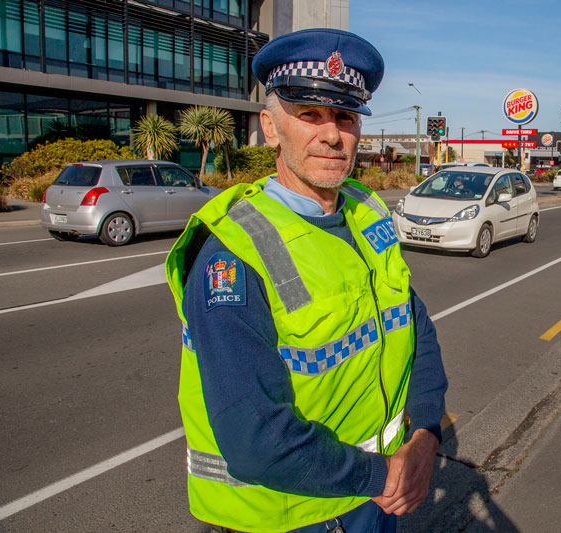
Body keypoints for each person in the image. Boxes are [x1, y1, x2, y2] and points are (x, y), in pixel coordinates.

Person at [165, 28, 448, 533]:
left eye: (344, 116)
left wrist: (425, 432)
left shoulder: (365, 211)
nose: (333, 134)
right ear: (270, 129)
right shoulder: (232, 253)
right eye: (309, 115)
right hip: (293, 516)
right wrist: (384, 474)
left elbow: (414, 325)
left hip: (373, 503)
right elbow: (256, 438)